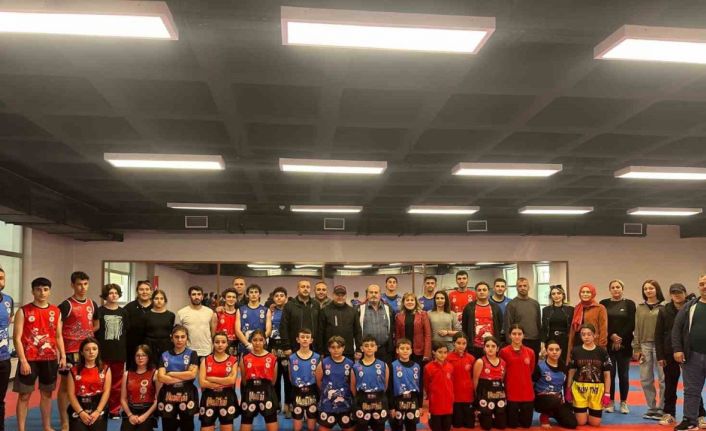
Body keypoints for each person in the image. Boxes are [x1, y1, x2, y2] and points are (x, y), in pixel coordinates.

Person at [13, 277, 66, 431]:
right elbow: (16, 338)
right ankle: (21, 429)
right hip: (29, 359)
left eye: (45, 289)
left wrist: (62, 355)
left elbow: (58, 336)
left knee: (47, 394)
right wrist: (23, 361)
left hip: (49, 359)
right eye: (38, 289)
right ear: (33, 291)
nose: (42, 293)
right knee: (24, 395)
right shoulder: (23, 311)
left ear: (49, 291)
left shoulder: (56, 311)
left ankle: (47, 426)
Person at [656, 283, 706, 427]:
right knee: (672, 385)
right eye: (674, 293)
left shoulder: (691, 306)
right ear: (670, 295)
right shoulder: (665, 310)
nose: (677, 295)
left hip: (690, 352)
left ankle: (700, 414)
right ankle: (669, 413)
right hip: (671, 352)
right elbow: (659, 334)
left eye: (679, 292)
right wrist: (661, 355)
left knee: (694, 386)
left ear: (685, 293)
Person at [59, 271, 97, 431]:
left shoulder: (92, 304)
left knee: (85, 384)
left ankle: (82, 415)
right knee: (65, 388)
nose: (83, 287)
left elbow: (96, 324)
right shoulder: (66, 305)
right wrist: (62, 353)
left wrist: (87, 336)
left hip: (87, 352)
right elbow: (57, 330)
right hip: (70, 351)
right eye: (79, 284)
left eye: (85, 284)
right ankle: (64, 421)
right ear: (72, 285)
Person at [672, 274, 706, 431]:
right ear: (698, 286)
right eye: (702, 284)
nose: (704, 286)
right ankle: (690, 420)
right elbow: (676, 329)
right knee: (691, 390)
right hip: (693, 355)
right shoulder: (689, 306)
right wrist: (678, 349)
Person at [92, 283, 129, 418]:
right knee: (101, 382)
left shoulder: (124, 312)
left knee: (117, 384)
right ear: (105, 295)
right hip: (103, 353)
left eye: (116, 293)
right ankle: (101, 408)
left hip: (119, 353)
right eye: (110, 293)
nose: (113, 295)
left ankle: (114, 410)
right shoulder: (99, 311)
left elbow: (126, 332)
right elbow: (94, 331)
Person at [599, 279, 635, 414]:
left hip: (624, 344)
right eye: (613, 287)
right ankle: (610, 401)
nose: (615, 289)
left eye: (618, 287)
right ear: (610, 289)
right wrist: (611, 336)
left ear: (622, 289)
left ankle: (624, 402)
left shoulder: (629, 304)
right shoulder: (603, 303)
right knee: (610, 374)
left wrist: (619, 338)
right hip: (608, 344)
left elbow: (632, 323)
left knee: (623, 375)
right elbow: (602, 323)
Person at [566, 323, 611, 427]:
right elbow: (571, 371)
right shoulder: (576, 351)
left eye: (589, 334)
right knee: (580, 422)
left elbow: (607, 374)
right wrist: (568, 389)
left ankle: (589, 411)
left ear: (594, 335)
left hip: (597, 390)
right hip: (579, 389)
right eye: (583, 334)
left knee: (595, 423)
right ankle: (582, 411)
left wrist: (607, 393)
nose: (586, 337)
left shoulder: (602, 352)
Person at [633, 279, 665, 420]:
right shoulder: (640, 307)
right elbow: (637, 328)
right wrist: (636, 347)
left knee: (663, 379)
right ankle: (651, 407)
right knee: (645, 378)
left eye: (651, 288)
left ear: (657, 289)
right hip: (644, 345)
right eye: (645, 289)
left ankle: (662, 408)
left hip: (661, 346)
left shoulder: (665, 306)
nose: (648, 291)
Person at [157, 325, 199, 431]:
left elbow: (192, 375)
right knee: (168, 426)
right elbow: (161, 377)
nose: (179, 340)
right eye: (176, 337)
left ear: (187, 338)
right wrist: (185, 375)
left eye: (182, 337)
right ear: (172, 338)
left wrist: (170, 373)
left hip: (187, 394)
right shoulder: (164, 355)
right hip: (168, 395)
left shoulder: (192, 354)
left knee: (187, 427)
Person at [66, 337, 112, 431]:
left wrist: (98, 411)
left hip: (98, 407)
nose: (91, 352)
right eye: (87, 349)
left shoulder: (105, 369)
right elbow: (71, 394)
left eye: (94, 349)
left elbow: (107, 391)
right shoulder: (73, 371)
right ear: (82, 352)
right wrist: (81, 412)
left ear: (98, 351)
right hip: (79, 407)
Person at [198, 332, 239, 431]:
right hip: (209, 398)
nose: (220, 345)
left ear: (227, 344)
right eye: (217, 342)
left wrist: (210, 378)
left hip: (227, 397)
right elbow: (202, 383)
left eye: (223, 342)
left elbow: (232, 381)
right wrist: (224, 382)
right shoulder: (205, 360)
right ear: (213, 343)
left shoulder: (233, 360)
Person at [240, 329, 279, 431]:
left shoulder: (272, 358)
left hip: (267, 392)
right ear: (251, 341)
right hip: (250, 393)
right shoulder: (245, 358)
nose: (257, 343)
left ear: (265, 341)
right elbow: (244, 380)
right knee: (245, 423)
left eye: (261, 340)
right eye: (255, 340)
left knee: (272, 424)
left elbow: (273, 381)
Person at [533, 340, 577, 429]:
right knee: (554, 399)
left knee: (572, 423)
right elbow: (532, 384)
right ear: (546, 351)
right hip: (541, 400)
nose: (554, 352)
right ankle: (544, 416)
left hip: (557, 400)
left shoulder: (564, 367)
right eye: (551, 349)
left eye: (557, 350)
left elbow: (565, 387)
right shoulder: (539, 367)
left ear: (560, 351)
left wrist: (568, 405)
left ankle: (552, 412)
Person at [500, 324, 536, 428]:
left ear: (523, 335)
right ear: (509, 335)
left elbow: (531, 370)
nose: (517, 336)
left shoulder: (530, 352)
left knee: (526, 425)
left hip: (527, 393)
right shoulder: (504, 352)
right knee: (512, 425)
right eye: (514, 334)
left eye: (519, 334)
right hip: (511, 393)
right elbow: (502, 372)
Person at [316, 335, 355, 431]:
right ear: (329, 349)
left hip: (345, 404)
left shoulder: (350, 364)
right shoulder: (323, 363)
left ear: (343, 348)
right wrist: (328, 393)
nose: (336, 350)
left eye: (339, 347)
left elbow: (353, 384)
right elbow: (319, 382)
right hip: (327, 405)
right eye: (333, 347)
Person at [351, 335, 389, 431]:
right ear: (361, 348)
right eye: (366, 345)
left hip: (379, 401)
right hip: (362, 401)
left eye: (372, 345)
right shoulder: (355, 367)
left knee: (379, 428)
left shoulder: (383, 365)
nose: (369, 348)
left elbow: (385, 385)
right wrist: (361, 397)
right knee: (361, 428)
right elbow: (353, 387)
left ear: (376, 348)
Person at [120, 345, 160, 431]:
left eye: (144, 355)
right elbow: (123, 399)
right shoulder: (127, 374)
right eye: (137, 355)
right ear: (134, 357)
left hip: (148, 411)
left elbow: (158, 399)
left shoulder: (155, 373)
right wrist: (130, 415)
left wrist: (145, 416)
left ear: (148, 357)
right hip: (131, 411)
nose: (140, 358)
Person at [567, 283, 608, 364]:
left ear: (593, 293)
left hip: (593, 343)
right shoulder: (577, 307)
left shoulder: (600, 308)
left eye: (588, 292)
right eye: (583, 292)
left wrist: (601, 347)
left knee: (592, 368)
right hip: (577, 342)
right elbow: (573, 329)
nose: (585, 294)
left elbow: (603, 329)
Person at [289, 328, 321, 431]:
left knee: (311, 427)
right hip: (297, 393)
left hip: (312, 393)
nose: (305, 339)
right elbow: (290, 377)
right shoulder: (292, 358)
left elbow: (319, 378)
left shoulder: (317, 357)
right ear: (297, 339)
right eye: (302, 337)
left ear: (311, 340)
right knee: (297, 428)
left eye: (307, 337)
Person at [473, 336, 507, 430]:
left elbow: (502, 379)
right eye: (487, 346)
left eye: (493, 346)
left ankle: (495, 414)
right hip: (485, 396)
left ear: (498, 348)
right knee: (487, 426)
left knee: (501, 426)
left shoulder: (503, 362)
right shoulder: (480, 362)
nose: (490, 348)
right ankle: (480, 414)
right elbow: (475, 381)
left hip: (499, 395)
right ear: (484, 348)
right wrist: (477, 397)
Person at [462, 281, 503, 359]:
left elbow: (499, 325)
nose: (482, 292)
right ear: (476, 292)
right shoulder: (469, 308)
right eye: (479, 290)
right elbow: (464, 327)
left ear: (488, 292)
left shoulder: (495, 308)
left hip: (491, 347)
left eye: (484, 290)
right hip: (474, 347)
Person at [356, 284, 395, 364]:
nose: (373, 294)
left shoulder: (388, 308)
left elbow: (392, 328)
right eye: (371, 292)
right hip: (366, 350)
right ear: (367, 294)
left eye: (376, 292)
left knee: (385, 371)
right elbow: (355, 330)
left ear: (380, 294)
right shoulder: (359, 309)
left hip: (384, 350)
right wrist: (358, 348)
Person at [504, 277, 542, 359]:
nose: (522, 288)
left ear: (529, 287)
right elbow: (508, 325)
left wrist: (541, 341)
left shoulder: (535, 304)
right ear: (516, 288)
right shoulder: (511, 305)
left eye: (525, 286)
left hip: (535, 340)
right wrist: (510, 343)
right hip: (519, 341)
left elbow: (538, 323)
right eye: (520, 286)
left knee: (534, 365)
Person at [175, 285, 216, 359]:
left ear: (202, 296)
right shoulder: (181, 313)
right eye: (194, 294)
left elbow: (213, 332)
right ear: (189, 296)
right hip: (188, 351)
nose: (196, 297)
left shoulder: (209, 312)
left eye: (199, 294)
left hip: (206, 350)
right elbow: (178, 333)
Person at [268, 287, 292, 416]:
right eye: (276, 296)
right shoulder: (270, 311)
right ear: (273, 298)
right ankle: (276, 403)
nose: (279, 298)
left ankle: (288, 404)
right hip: (273, 346)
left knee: (288, 378)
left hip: (287, 346)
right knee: (275, 378)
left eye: (282, 295)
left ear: (286, 298)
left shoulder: (290, 310)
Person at [320, 285, 360, 359]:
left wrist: (358, 349)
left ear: (346, 295)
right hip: (329, 352)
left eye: (342, 295)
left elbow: (357, 332)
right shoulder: (324, 311)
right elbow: (320, 332)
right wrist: (321, 351)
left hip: (348, 352)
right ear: (333, 295)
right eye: (337, 295)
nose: (340, 297)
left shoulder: (353, 312)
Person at [389, 338, 422, 431]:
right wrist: (391, 407)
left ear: (411, 350)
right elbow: (390, 388)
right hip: (397, 401)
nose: (405, 351)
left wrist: (420, 405)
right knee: (397, 427)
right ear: (397, 350)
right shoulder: (392, 366)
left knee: (411, 427)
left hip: (413, 401)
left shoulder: (417, 366)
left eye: (407, 348)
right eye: (402, 348)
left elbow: (420, 385)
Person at [394, 293, 431, 371]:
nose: (410, 302)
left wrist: (427, 353)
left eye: (412, 300)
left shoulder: (423, 314)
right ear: (403, 302)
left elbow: (427, 335)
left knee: (418, 374)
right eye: (407, 300)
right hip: (404, 351)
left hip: (419, 351)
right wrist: (397, 352)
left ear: (415, 302)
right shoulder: (398, 316)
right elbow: (398, 336)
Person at [282, 280, 321, 354]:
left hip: (313, 347)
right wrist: (286, 347)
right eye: (303, 287)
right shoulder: (289, 305)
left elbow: (320, 327)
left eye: (308, 287)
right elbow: (284, 327)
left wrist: (320, 348)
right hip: (294, 347)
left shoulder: (316, 305)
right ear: (297, 289)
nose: (305, 289)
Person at [446, 332, 475, 431]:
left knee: (470, 425)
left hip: (468, 396)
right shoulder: (447, 358)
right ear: (453, 343)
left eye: (464, 343)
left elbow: (474, 377)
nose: (461, 346)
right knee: (457, 425)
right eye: (458, 343)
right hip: (454, 396)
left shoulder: (471, 358)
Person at [424, 342, 454, 431]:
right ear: (434, 352)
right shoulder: (428, 367)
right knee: (436, 427)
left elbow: (451, 383)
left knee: (446, 427)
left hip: (448, 401)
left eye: (445, 352)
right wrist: (431, 396)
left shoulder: (450, 366)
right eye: (440, 352)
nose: (443, 355)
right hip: (435, 402)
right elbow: (426, 385)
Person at [541, 285, 573, 366]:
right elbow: (544, 328)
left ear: (563, 295)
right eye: (553, 294)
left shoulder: (570, 310)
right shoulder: (546, 310)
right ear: (551, 296)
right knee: (551, 362)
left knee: (564, 363)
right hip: (551, 339)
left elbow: (573, 328)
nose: (556, 296)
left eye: (559, 293)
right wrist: (542, 345)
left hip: (565, 340)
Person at [124, 280, 153, 371]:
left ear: (151, 291)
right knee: (133, 372)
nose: (144, 292)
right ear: (137, 291)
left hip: (152, 347)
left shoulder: (156, 306)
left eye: (147, 289)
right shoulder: (129, 308)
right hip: (132, 347)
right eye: (141, 289)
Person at [235, 284, 272, 355]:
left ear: (259, 294)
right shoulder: (240, 310)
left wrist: (259, 342)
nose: (254, 294)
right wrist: (248, 344)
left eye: (256, 292)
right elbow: (237, 330)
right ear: (247, 295)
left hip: (261, 347)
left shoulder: (266, 310)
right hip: (245, 347)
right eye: (251, 292)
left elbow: (268, 330)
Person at [143, 289, 175, 368]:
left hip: (166, 345)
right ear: (152, 300)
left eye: (161, 298)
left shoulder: (171, 315)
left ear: (165, 300)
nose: (159, 301)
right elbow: (142, 332)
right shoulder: (146, 315)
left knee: (165, 367)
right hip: (150, 345)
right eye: (156, 298)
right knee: (151, 368)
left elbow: (171, 331)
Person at [0, 267, 13, 431]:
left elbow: (8, 322)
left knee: (0, 400)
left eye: (1, 278)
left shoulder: (8, 300)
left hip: (4, 359)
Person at [216, 288, 239, 356]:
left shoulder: (239, 313)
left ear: (236, 299)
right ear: (224, 298)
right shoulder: (217, 313)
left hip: (235, 345)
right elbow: (213, 333)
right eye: (229, 297)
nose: (231, 299)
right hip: (220, 345)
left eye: (233, 297)